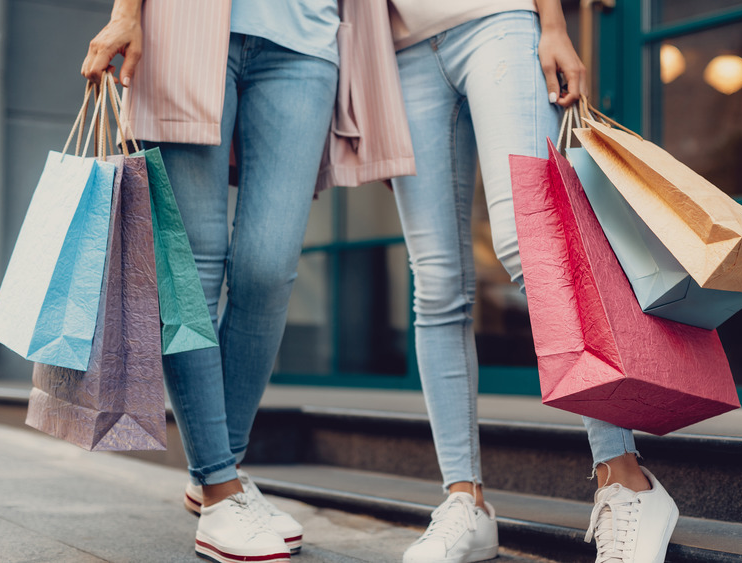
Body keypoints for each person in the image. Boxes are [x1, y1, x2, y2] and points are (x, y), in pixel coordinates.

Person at [385, 2, 678, 562]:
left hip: (496, 17)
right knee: (436, 282)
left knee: (536, 248)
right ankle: (464, 501)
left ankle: (625, 480)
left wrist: (552, 24)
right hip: (399, 53)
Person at [82, 1, 340, 562]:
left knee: (269, 269)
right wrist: (128, 11)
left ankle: (214, 476)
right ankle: (221, 484)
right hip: (187, 28)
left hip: (307, 40)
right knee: (192, 264)